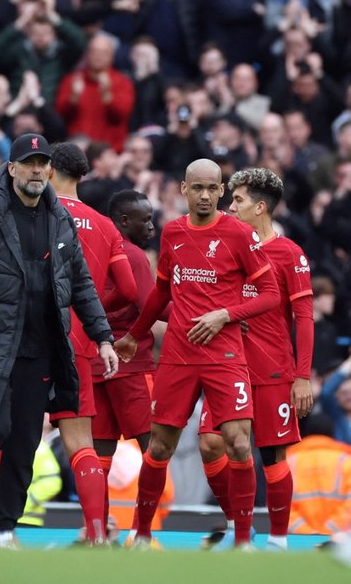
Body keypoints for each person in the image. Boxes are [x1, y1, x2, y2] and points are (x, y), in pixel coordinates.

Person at [0, 133, 118, 549]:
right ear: (12, 168)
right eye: (29, 163)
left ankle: (4, 531)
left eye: (43, 163)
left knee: (24, 443)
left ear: (51, 170)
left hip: (41, 349)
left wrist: (103, 337)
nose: (37, 170)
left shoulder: (60, 220)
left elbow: (82, 284)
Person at [115, 159, 281, 549]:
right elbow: (160, 294)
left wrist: (225, 314)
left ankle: (243, 540)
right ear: (184, 190)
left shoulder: (240, 235)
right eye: (197, 188)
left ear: (221, 191)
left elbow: (271, 295)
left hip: (225, 355)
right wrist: (135, 336)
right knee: (159, 446)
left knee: (238, 443)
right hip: (178, 354)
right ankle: (141, 534)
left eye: (212, 188)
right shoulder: (172, 234)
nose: (205, 195)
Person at [197, 168, 314, 551]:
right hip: (226, 365)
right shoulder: (227, 246)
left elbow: (304, 318)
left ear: (260, 207)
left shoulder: (289, 254)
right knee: (211, 445)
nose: (230, 207)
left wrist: (302, 376)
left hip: (273, 369)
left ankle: (278, 540)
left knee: (271, 454)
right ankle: (236, 524)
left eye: (239, 200)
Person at [45, 142, 137, 544]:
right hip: (80, 343)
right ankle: (97, 533)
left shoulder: (37, 215)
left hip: (33, 340)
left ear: (49, 171)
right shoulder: (105, 226)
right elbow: (130, 290)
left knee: (12, 437)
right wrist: (94, 308)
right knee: (81, 444)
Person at [93, 190, 157, 524]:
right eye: (145, 220)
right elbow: (152, 307)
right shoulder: (132, 255)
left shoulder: (93, 248)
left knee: (100, 452)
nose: (152, 227)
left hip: (96, 363)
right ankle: (141, 530)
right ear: (123, 221)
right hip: (132, 365)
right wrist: (209, 318)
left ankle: (97, 527)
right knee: (155, 448)